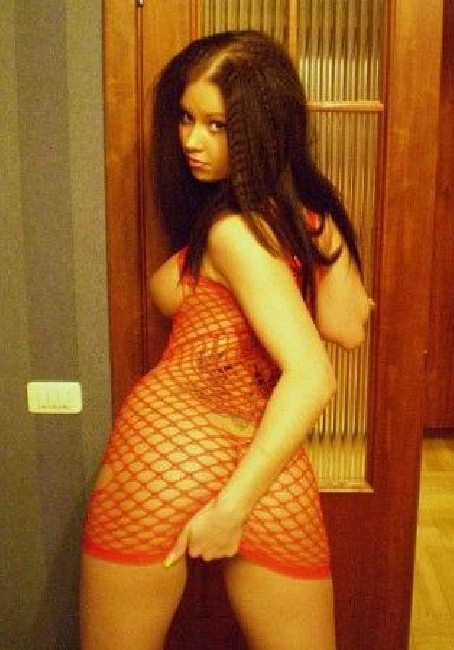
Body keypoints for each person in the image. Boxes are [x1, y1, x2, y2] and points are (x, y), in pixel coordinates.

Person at [80, 29, 372, 650]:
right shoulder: (252, 224)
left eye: (217, 126)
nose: (191, 140)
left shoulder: (240, 230)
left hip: (173, 447)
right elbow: (346, 327)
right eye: (186, 118)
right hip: (250, 449)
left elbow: (324, 360)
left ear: (263, 130)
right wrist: (321, 228)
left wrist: (230, 510)